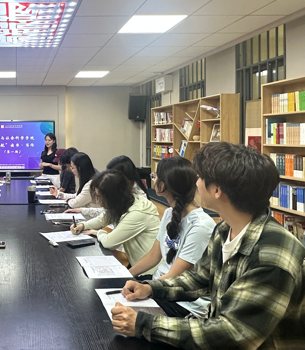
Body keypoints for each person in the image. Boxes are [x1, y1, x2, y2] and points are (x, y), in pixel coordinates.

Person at [112, 143, 305, 349]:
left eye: (200, 177)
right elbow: (200, 279)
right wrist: (150, 288)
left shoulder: (271, 256)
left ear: (217, 190)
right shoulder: (224, 229)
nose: (196, 183)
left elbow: (233, 334)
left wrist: (144, 324)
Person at [127, 156, 216, 318]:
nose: (153, 178)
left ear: (163, 185)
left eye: (155, 176)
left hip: (183, 302)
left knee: (124, 315)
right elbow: (154, 255)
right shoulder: (169, 213)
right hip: (161, 285)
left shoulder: (201, 226)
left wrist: (148, 288)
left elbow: (177, 275)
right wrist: (125, 274)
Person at [70, 170, 160, 271]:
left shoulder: (137, 213)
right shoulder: (126, 201)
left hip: (150, 271)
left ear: (113, 196)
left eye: (100, 197)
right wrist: (83, 225)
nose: (99, 202)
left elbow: (109, 243)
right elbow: (103, 219)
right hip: (136, 263)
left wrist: (99, 232)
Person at [50, 152, 101, 218]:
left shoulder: (91, 184)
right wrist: (59, 194)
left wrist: (68, 200)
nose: (72, 171)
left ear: (80, 168)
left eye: (73, 168)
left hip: (90, 219)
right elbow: (76, 196)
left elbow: (75, 203)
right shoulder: (85, 180)